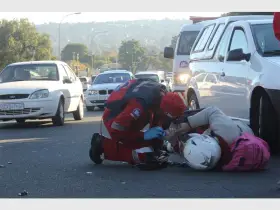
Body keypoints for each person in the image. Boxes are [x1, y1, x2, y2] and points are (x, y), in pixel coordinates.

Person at [89, 78, 186, 170]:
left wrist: (164, 143)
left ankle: (152, 145)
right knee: (145, 156)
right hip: (114, 119)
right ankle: (102, 145)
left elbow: (160, 119)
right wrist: (144, 135)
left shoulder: (161, 95)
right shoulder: (139, 104)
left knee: (154, 144)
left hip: (127, 113)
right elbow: (117, 129)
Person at [165, 106, 269, 171]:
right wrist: (188, 123)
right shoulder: (224, 133)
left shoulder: (212, 161)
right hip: (240, 127)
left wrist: (172, 140)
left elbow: (191, 151)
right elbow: (212, 110)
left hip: (242, 136)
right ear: (206, 139)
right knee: (200, 115)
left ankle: (171, 144)